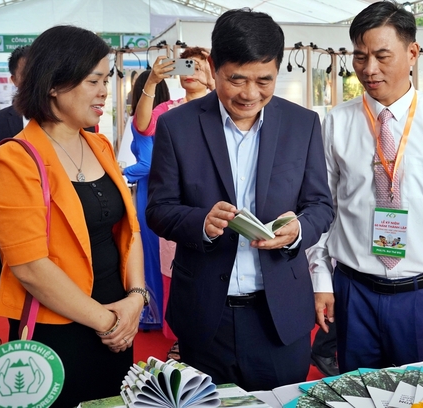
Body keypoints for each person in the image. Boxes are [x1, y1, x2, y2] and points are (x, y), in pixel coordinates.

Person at [146, 8, 334, 391]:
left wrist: (298, 230)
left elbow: (320, 205)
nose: (250, 94)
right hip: (205, 317)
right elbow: (158, 210)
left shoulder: (303, 124)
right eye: (236, 79)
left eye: (265, 80)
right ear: (213, 67)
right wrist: (201, 223)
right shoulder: (176, 126)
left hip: (279, 317)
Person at [308, 1, 423, 373]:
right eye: (360, 57)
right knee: (358, 393)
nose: (369, 70)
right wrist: (322, 278)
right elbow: (324, 207)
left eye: (382, 56)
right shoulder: (337, 121)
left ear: (412, 53)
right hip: (354, 291)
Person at [0, 25, 145, 407]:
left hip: (119, 317)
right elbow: (29, 266)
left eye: (106, 79)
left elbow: (129, 229)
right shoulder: (16, 158)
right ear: (54, 84)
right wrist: (106, 322)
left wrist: (136, 298)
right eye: (93, 80)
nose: (105, 91)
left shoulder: (100, 144)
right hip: (57, 327)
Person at [134, 46, 215, 358]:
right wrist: (152, 82)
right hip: (178, 202)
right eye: (184, 65)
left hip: (215, 199)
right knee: (175, 267)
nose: (189, 72)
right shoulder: (169, 110)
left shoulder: (223, 106)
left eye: (197, 66)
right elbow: (142, 125)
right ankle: (183, 335)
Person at [122, 70, 170, 330]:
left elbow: (147, 164)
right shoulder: (171, 117)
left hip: (149, 193)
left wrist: (119, 172)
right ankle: (162, 315)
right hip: (167, 192)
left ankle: (153, 315)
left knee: (150, 255)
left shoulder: (144, 121)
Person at [0, 45, 30, 262]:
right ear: (14, 80)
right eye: (26, 73)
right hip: (15, 222)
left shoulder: (67, 117)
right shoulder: (1, 120)